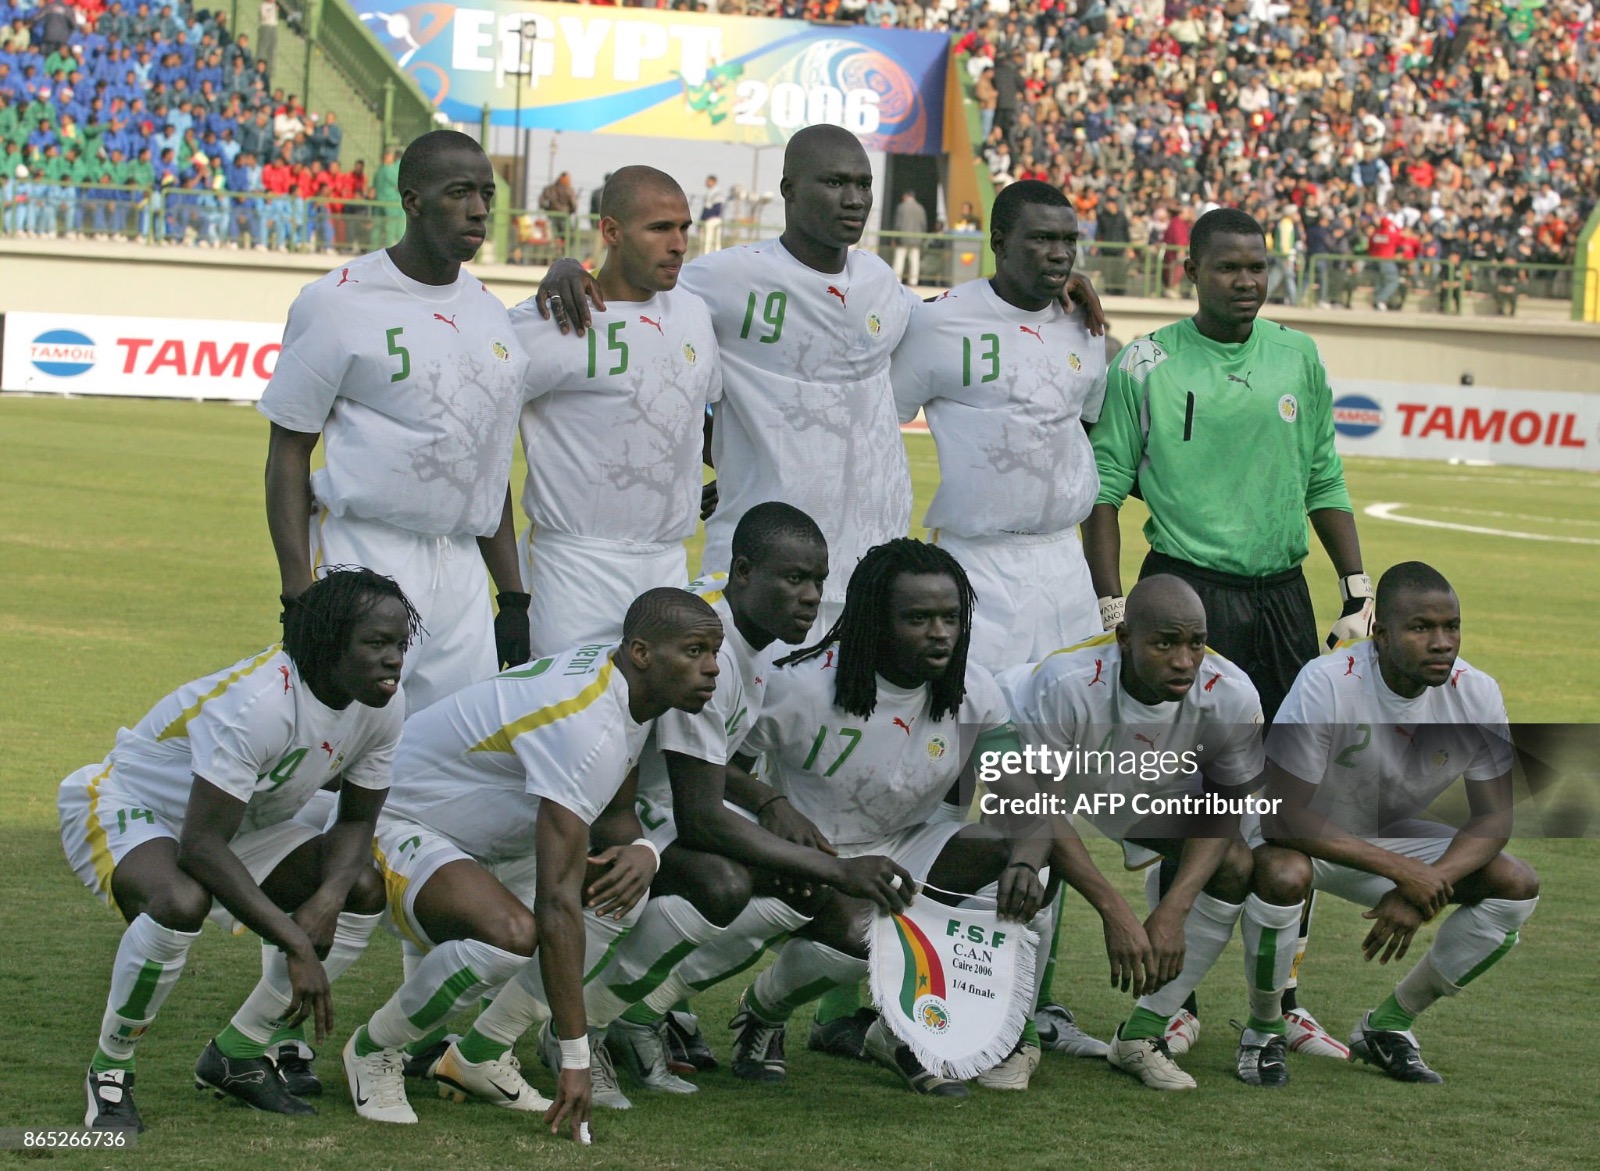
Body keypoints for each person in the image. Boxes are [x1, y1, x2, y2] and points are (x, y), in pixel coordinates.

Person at [1084, 206, 1369, 1057]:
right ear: (1191, 271)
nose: (1247, 281)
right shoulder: (1147, 362)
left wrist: (1356, 589)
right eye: (1229, 268)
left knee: (1285, 800)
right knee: (1192, 798)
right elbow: (1102, 488)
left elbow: (1324, 471)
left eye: (1258, 267)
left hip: (1282, 595)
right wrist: (1111, 606)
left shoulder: (1298, 354)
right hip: (1184, 597)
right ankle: (1175, 1002)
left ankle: (1280, 997)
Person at [342, 589, 724, 1134]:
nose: (711, 669)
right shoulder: (584, 723)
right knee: (512, 933)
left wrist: (645, 852)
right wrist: (575, 1059)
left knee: (616, 898)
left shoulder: (626, 688)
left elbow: (615, 815)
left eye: (715, 651)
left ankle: (480, 1054)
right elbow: (556, 903)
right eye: (694, 651)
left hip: (479, 838)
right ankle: (373, 1050)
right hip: (395, 816)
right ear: (641, 652)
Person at [568, 503, 914, 1093]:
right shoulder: (715, 652)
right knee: (727, 882)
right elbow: (700, 819)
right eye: (795, 579)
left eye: (819, 581)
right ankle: (583, 1026)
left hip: (647, 805)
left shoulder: (742, 633)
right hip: (595, 812)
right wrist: (836, 867)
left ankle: (643, 1013)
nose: (810, 597)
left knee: (797, 883)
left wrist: (767, 799)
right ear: (745, 571)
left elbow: (699, 757)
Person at [62, 568, 417, 1131]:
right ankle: (111, 1071)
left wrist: (325, 900)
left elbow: (355, 820)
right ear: (329, 644)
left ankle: (238, 1051)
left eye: (400, 644)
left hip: (241, 820)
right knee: (180, 903)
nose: (394, 659)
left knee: (359, 889)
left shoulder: (384, 706)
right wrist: (295, 940)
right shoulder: (259, 704)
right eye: (375, 643)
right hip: (132, 805)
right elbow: (200, 848)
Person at [725, 539, 1054, 1098]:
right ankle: (762, 1010)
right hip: (818, 861)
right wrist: (767, 806)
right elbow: (716, 770)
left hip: (911, 843)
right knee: (865, 932)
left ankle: (906, 1029)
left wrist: (1023, 858)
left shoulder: (972, 686)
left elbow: (1028, 796)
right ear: (875, 621)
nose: (939, 633)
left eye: (950, 617)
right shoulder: (799, 685)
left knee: (1030, 871)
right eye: (918, 618)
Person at [258, 130, 532, 716]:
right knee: (343, 751)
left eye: (486, 193)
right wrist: (297, 594)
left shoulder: (489, 312)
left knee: (449, 759)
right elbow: (288, 450)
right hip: (366, 554)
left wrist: (511, 597)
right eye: (459, 192)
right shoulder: (336, 302)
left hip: (460, 569)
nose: (479, 209)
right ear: (412, 199)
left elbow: (487, 466)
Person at [998, 575, 1293, 1089]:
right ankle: (1013, 1035)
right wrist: (1116, 912)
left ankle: (1142, 1033)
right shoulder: (1065, 683)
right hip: (1056, 782)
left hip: (1154, 793)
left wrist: (1173, 910)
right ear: (1125, 639)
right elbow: (1042, 808)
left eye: (1195, 643)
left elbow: (1223, 810)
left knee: (1235, 864)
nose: (1184, 660)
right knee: (1031, 858)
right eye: (1165, 643)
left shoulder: (1230, 693)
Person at [1252, 562, 1538, 1084]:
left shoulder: (1477, 692)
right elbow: (1282, 814)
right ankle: (1264, 1030)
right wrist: (1407, 873)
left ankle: (1389, 1025)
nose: (1441, 642)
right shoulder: (1327, 682)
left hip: (1385, 838)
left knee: (1516, 886)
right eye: (1420, 628)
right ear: (1380, 634)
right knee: (1283, 873)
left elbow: (1495, 818)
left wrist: (1420, 886)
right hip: (1303, 839)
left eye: (1451, 627)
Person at [892, 180, 1106, 668]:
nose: (1059, 254)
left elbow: (1087, 425)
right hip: (977, 564)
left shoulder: (1085, 327)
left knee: (1065, 729)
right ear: (999, 242)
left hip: (1065, 564)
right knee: (973, 728)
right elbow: (883, 420)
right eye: (1041, 239)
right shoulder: (938, 323)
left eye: (1069, 241)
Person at [508, 166, 721, 655]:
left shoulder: (692, 313)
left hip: (667, 564)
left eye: (684, 227)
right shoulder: (549, 320)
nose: (679, 243)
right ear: (611, 232)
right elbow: (474, 418)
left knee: (652, 724)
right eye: (659, 228)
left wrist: (734, 470)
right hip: (573, 569)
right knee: (566, 724)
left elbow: (692, 419)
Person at [890, 189, 927, 286]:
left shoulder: (901, 207)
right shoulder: (920, 208)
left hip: (903, 239)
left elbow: (897, 224)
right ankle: (913, 281)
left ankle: (897, 280)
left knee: (899, 260)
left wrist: (894, 239)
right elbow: (923, 225)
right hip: (916, 239)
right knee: (915, 261)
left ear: (906, 196)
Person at [697, 173, 723, 255]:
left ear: (713, 181)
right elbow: (705, 208)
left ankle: (711, 257)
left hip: (713, 219)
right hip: (706, 219)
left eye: (708, 181)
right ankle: (704, 256)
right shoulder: (709, 192)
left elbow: (717, 208)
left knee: (711, 240)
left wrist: (707, 218)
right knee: (705, 240)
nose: (707, 183)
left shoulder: (717, 192)